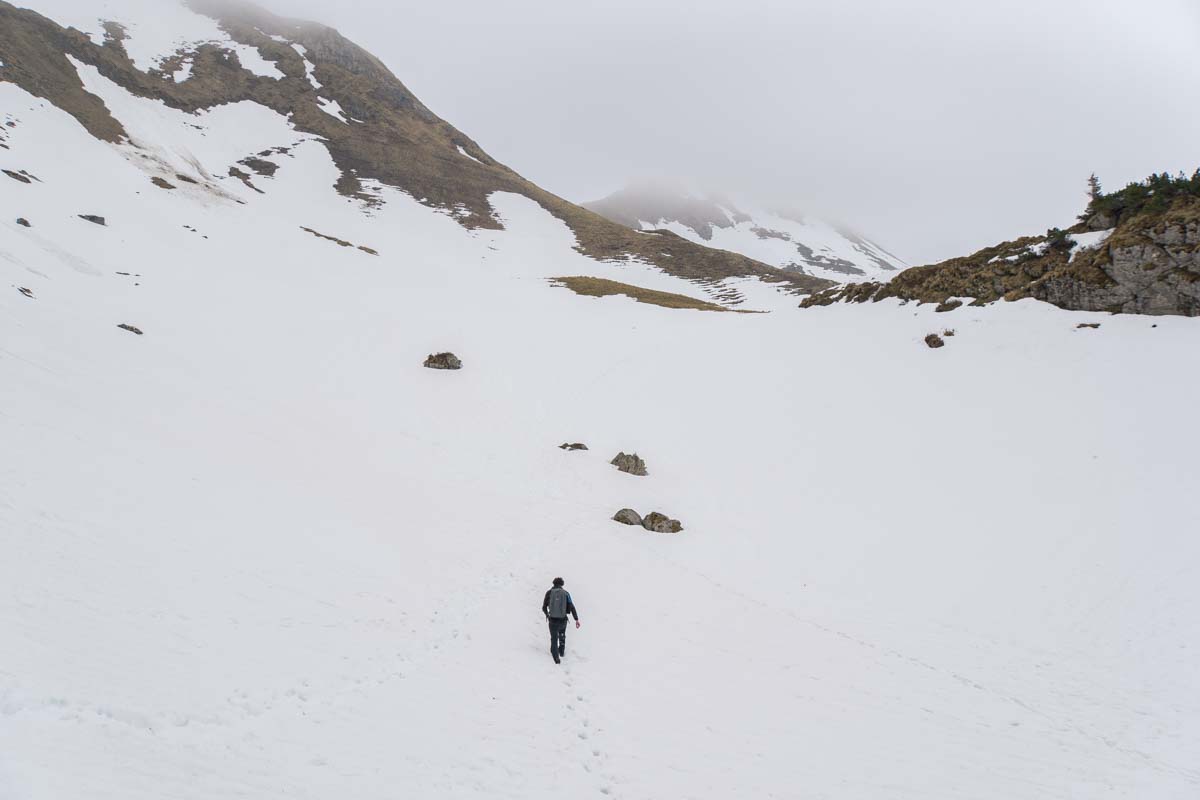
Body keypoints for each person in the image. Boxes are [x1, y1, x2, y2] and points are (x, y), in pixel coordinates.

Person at [542, 577, 580, 664]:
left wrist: (547, 615)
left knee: (554, 638)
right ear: (562, 584)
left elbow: (544, 607)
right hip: (563, 621)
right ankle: (561, 652)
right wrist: (576, 619)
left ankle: (556, 658)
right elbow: (572, 606)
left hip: (552, 621)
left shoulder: (549, 593)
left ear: (553, 583)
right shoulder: (566, 593)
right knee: (562, 635)